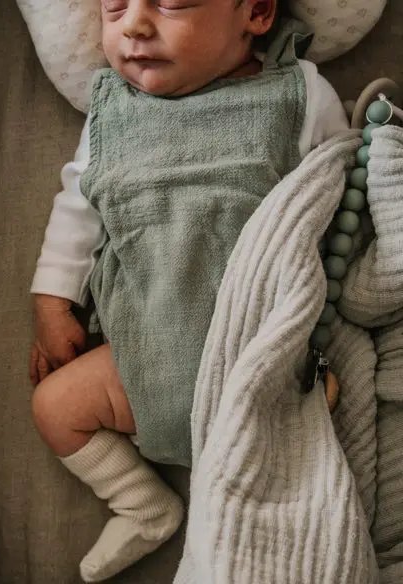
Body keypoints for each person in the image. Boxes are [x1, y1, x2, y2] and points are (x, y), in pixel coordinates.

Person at [29, 1, 348, 581]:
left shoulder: (297, 94)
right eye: (114, 7)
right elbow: (78, 207)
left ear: (256, 13)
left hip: (256, 361)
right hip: (139, 364)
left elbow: (336, 188)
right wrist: (53, 302)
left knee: (315, 458)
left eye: (171, 4)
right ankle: (141, 503)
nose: (134, 24)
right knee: (54, 406)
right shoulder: (112, 112)